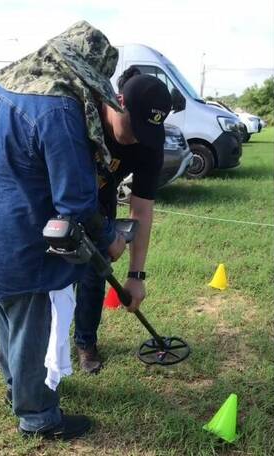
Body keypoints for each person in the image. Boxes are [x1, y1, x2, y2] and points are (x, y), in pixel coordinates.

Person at [0, 21, 128, 440]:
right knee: (31, 328)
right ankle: (38, 417)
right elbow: (76, 202)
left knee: (8, 322)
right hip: (28, 239)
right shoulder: (58, 109)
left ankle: (14, 390)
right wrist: (109, 239)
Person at [73, 67, 171, 374]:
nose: (134, 138)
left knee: (94, 274)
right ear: (118, 101)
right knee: (44, 274)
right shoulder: (78, 117)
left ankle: (85, 342)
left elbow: (141, 209)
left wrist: (136, 276)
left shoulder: (148, 142)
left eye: (145, 130)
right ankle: (15, 345)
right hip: (58, 199)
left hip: (101, 203)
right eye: (133, 125)